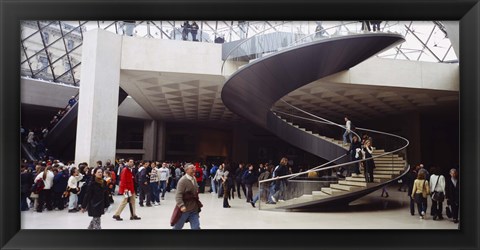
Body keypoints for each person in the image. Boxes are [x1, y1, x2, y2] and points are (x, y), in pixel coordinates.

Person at [173, 163, 202, 229]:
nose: (194, 169)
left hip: (194, 209)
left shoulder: (194, 178)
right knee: (177, 227)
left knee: (196, 227)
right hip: (185, 209)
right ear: (186, 170)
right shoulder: (182, 181)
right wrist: (181, 206)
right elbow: (178, 195)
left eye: (194, 168)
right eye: (192, 168)